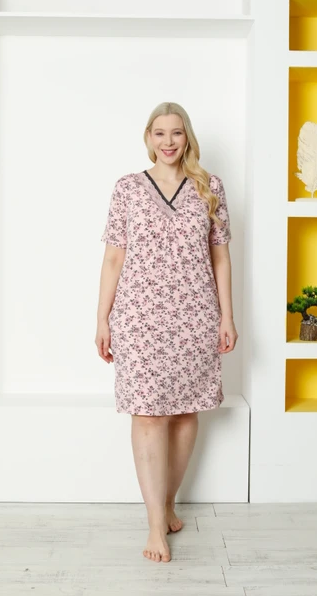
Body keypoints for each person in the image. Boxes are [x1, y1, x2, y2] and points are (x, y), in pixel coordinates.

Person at [95, 102, 238, 563]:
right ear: (148, 137)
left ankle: (168, 503)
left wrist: (227, 316)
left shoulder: (210, 187)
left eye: (177, 132)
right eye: (160, 133)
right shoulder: (128, 188)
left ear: (187, 137)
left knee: (185, 412)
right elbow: (113, 257)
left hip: (195, 316)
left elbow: (220, 257)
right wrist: (102, 318)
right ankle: (155, 523)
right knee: (147, 415)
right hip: (139, 319)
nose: (169, 141)